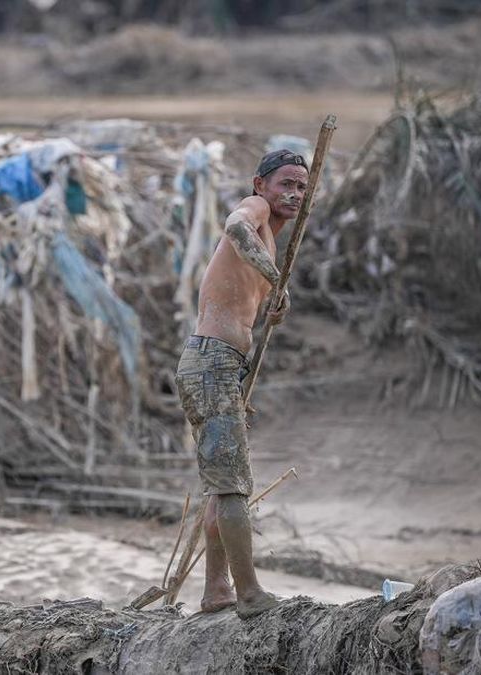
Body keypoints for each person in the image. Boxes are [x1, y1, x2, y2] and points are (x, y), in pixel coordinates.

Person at [174, 149, 307, 618]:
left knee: (221, 486)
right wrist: (277, 279)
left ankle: (217, 590)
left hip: (223, 364)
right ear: (260, 185)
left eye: (301, 187)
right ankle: (249, 594)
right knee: (232, 487)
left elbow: (244, 298)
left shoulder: (270, 236)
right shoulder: (255, 211)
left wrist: (272, 301)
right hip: (210, 362)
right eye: (285, 184)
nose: (293, 194)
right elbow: (235, 226)